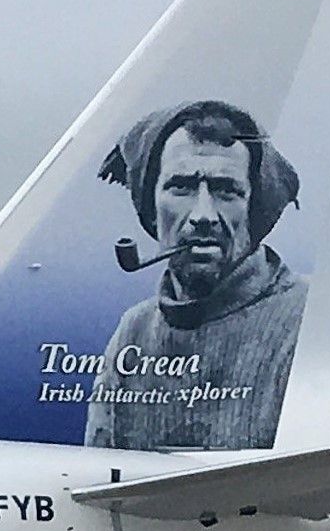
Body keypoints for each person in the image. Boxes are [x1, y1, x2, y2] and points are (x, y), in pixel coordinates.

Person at [86, 99, 305, 451]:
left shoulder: (303, 319)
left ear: (253, 207)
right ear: (152, 207)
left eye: (226, 190)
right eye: (182, 187)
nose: (203, 214)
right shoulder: (135, 330)